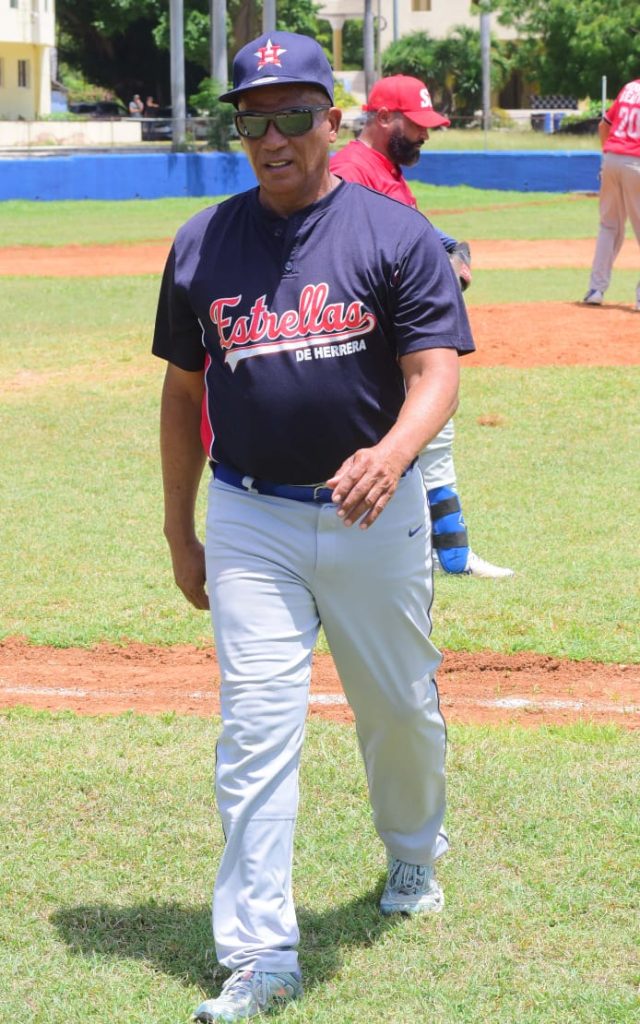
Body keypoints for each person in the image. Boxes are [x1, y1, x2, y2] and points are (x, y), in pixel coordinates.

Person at [153, 31, 474, 1024]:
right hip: (250, 512)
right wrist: (180, 530)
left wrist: (394, 452)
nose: (273, 137)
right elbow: (182, 393)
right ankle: (260, 955)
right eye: (254, 120)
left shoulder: (392, 234)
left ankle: (413, 852)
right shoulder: (202, 242)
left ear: (333, 121)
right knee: (255, 729)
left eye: (294, 115)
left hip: (372, 511)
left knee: (399, 708)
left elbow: (435, 372)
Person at [331, 75, 514, 579]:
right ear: (384, 117)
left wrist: (445, 249)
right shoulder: (350, 170)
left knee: (434, 437)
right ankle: (441, 553)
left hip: (403, 330)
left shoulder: (383, 168)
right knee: (417, 437)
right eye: (416, 124)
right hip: (376, 338)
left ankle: (449, 552)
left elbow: (406, 231)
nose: (425, 135)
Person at [583, 76, 640, 311]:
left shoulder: (630, 88)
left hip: (611, 158)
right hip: (637, 161)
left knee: (609, 226)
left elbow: (603, 125)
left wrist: (608, 158)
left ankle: (595, 290)